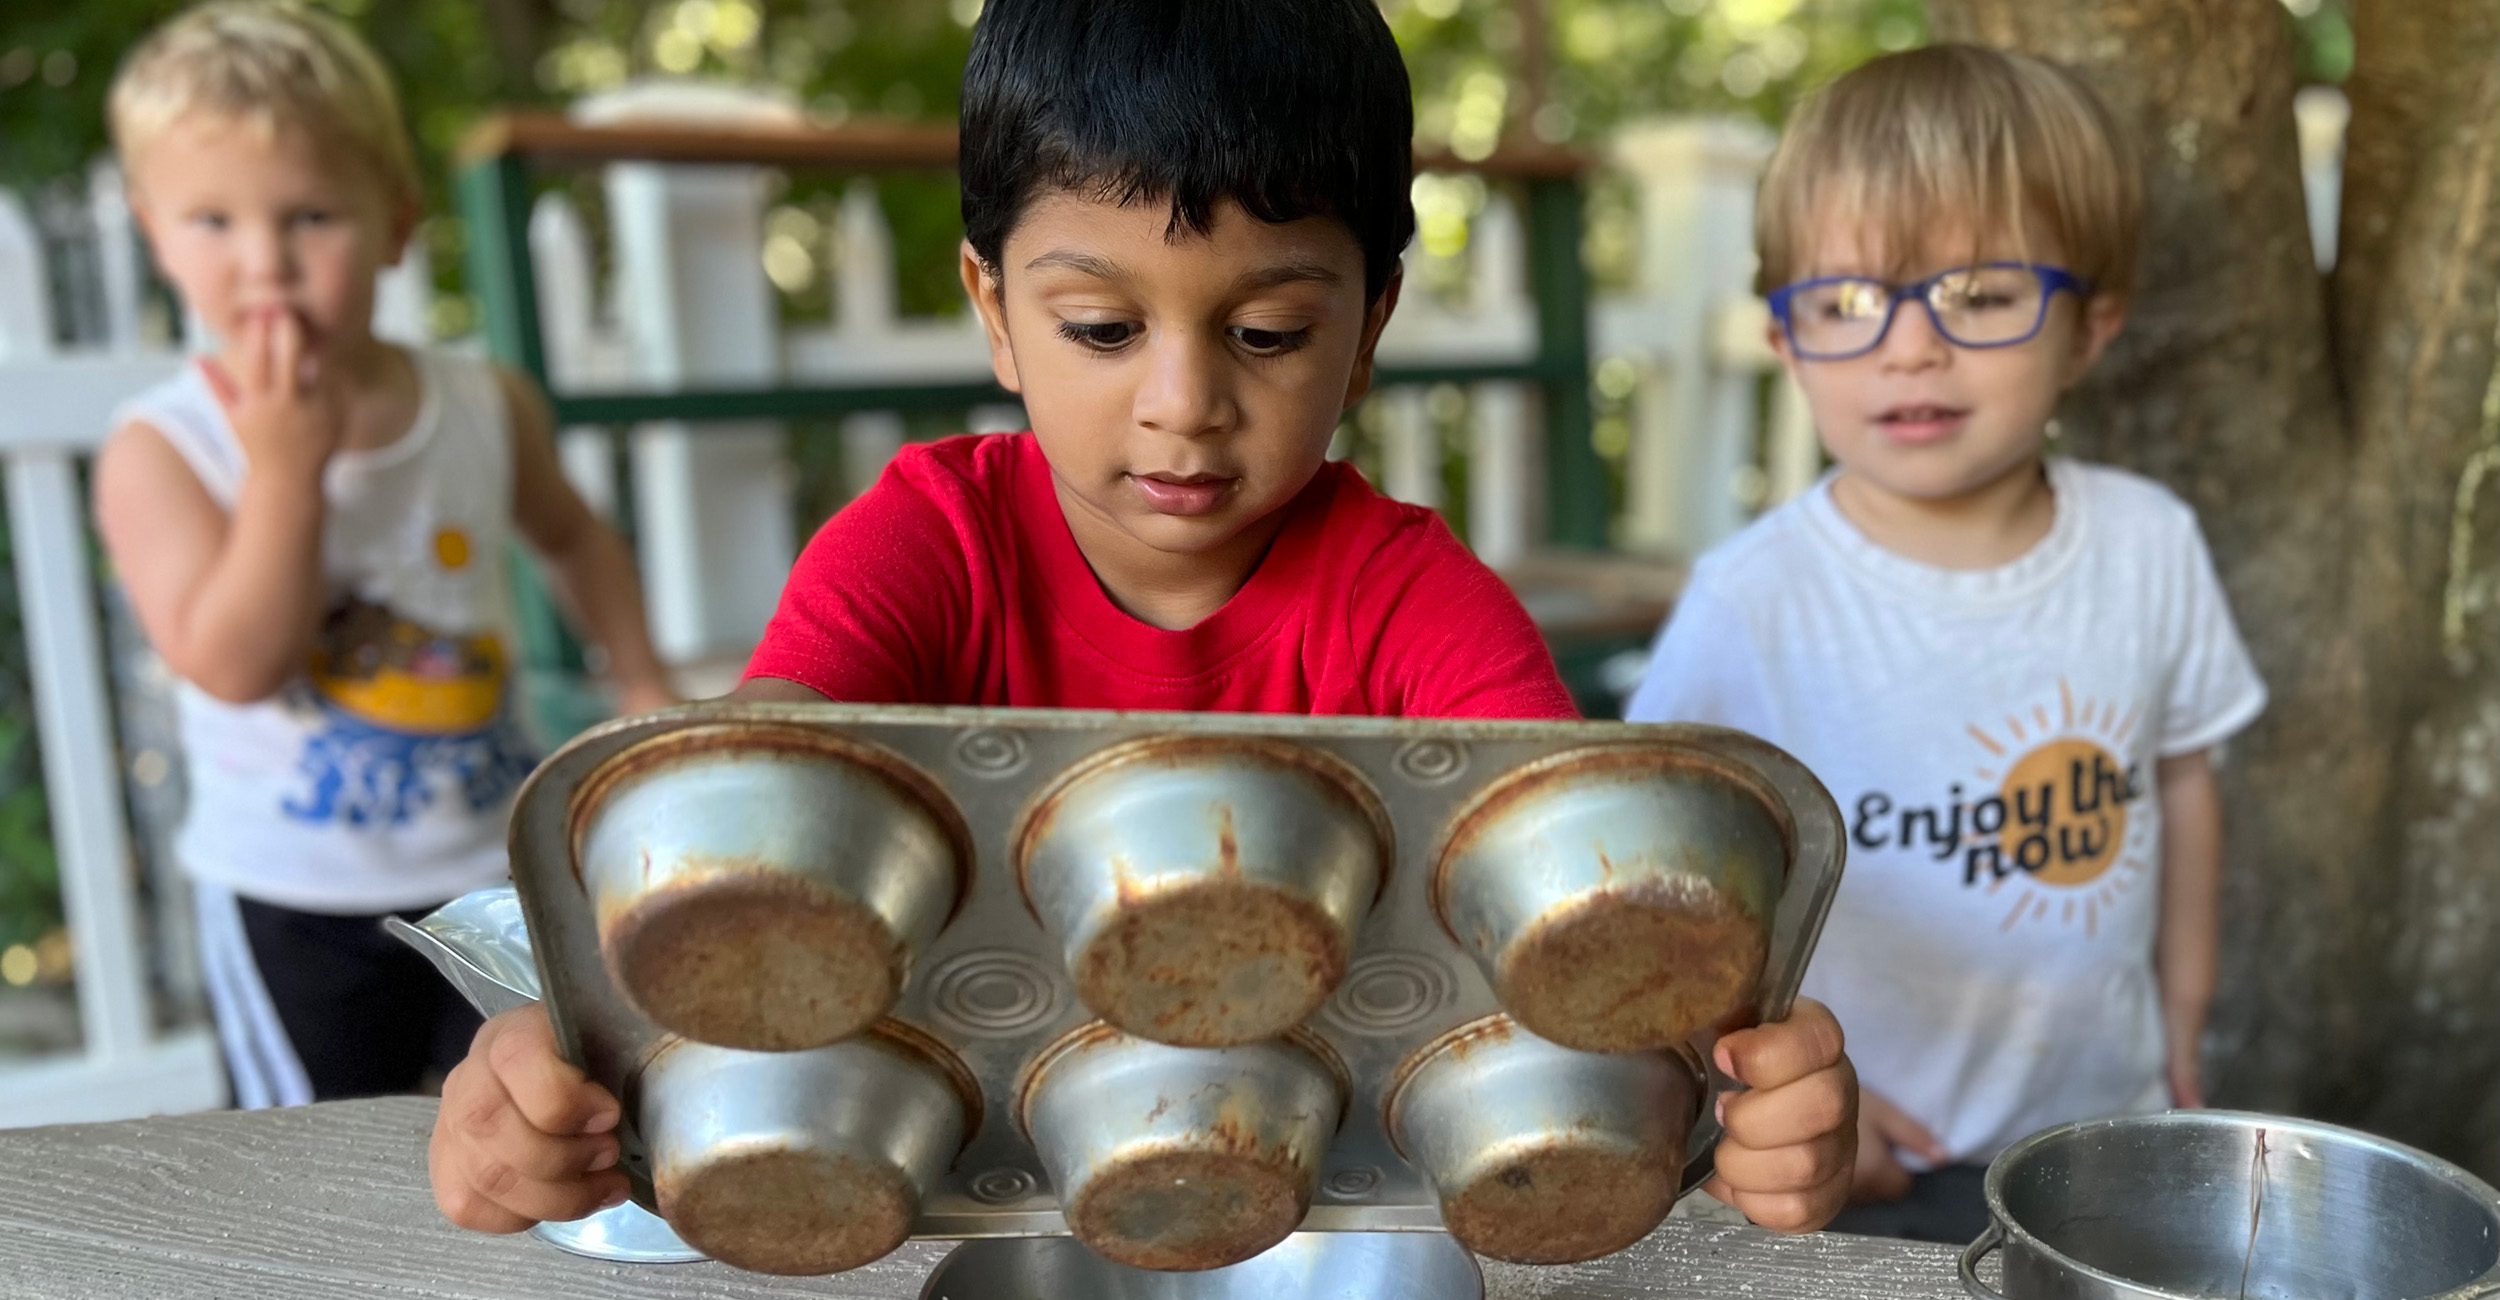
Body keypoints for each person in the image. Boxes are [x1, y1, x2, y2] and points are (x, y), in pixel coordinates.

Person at [426, 0, 1859, 1242]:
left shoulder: (1408, 603)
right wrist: (552, 1077)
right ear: (993, 309)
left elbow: (1580, 937)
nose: (1184, 403)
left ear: (1367, 327)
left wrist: (1755, 1109)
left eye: (1270, 334)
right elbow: (732, 860)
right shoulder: (927, 550)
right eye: (1103, 330)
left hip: (1328, 1214)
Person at [1625, 44, 2268, 1243]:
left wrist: (2186, 1012)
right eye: (1846, 304)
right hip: (1870, 1157)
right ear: (1786, 342)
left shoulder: (2148, 546)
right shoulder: (1754, 600)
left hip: (2105, 1137)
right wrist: (1766, 1095)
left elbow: (2184, 780)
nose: (1909, 347)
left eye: (1979, 294)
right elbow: (1659, 875)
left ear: (2090, 329)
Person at [95, 1, 674, 1108]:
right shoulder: (161, 450)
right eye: (212, 221)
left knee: (536, 1129)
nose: (264, 264)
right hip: (290, 900)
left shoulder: (480, 404)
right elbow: (234, 666)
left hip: (490, 878)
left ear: (398, 222)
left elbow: (576, 536)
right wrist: (284, 471)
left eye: (311, 215)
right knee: (319, 1160)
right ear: (153, 232)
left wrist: (639, 676)